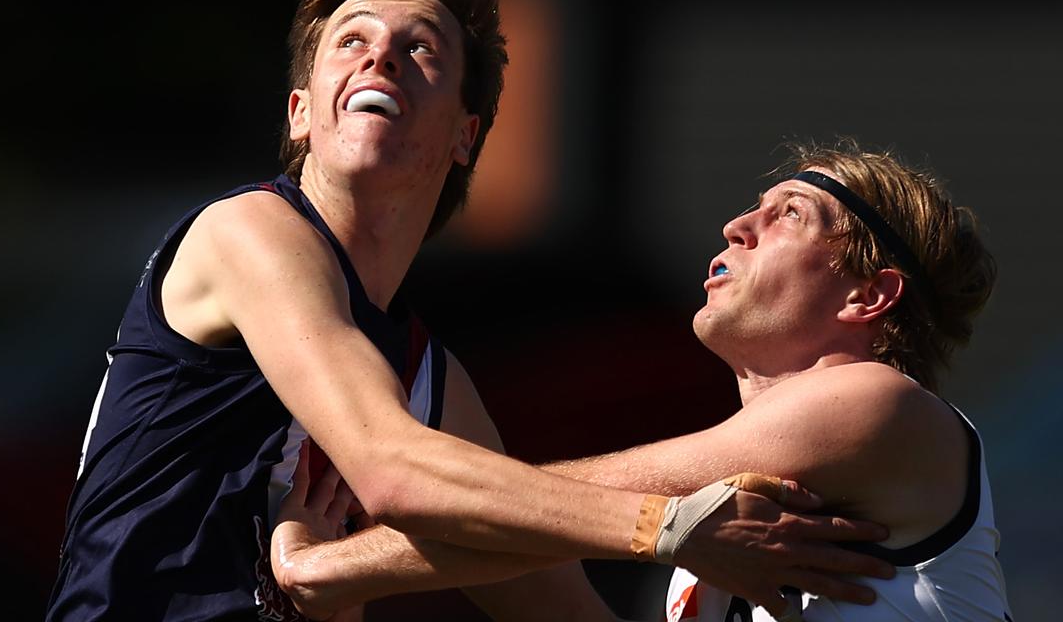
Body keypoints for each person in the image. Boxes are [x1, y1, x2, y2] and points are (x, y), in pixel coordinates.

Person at [44, 0, 894, 622]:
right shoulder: (249, 231)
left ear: (464, 136)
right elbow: (394, 469)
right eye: (351, 41)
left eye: (421, 51)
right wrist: (668, 526)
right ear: (300, 112)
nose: (379, 59)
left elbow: (548, 598)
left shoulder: (426, 380)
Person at [270, 140, 1013, 621]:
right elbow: (561, 530)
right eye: (751, 207)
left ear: (867, 296)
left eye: (788, 215)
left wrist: (329, 566)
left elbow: (578, 506)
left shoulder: (875, 399)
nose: (735, 226)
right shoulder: (709, 560)